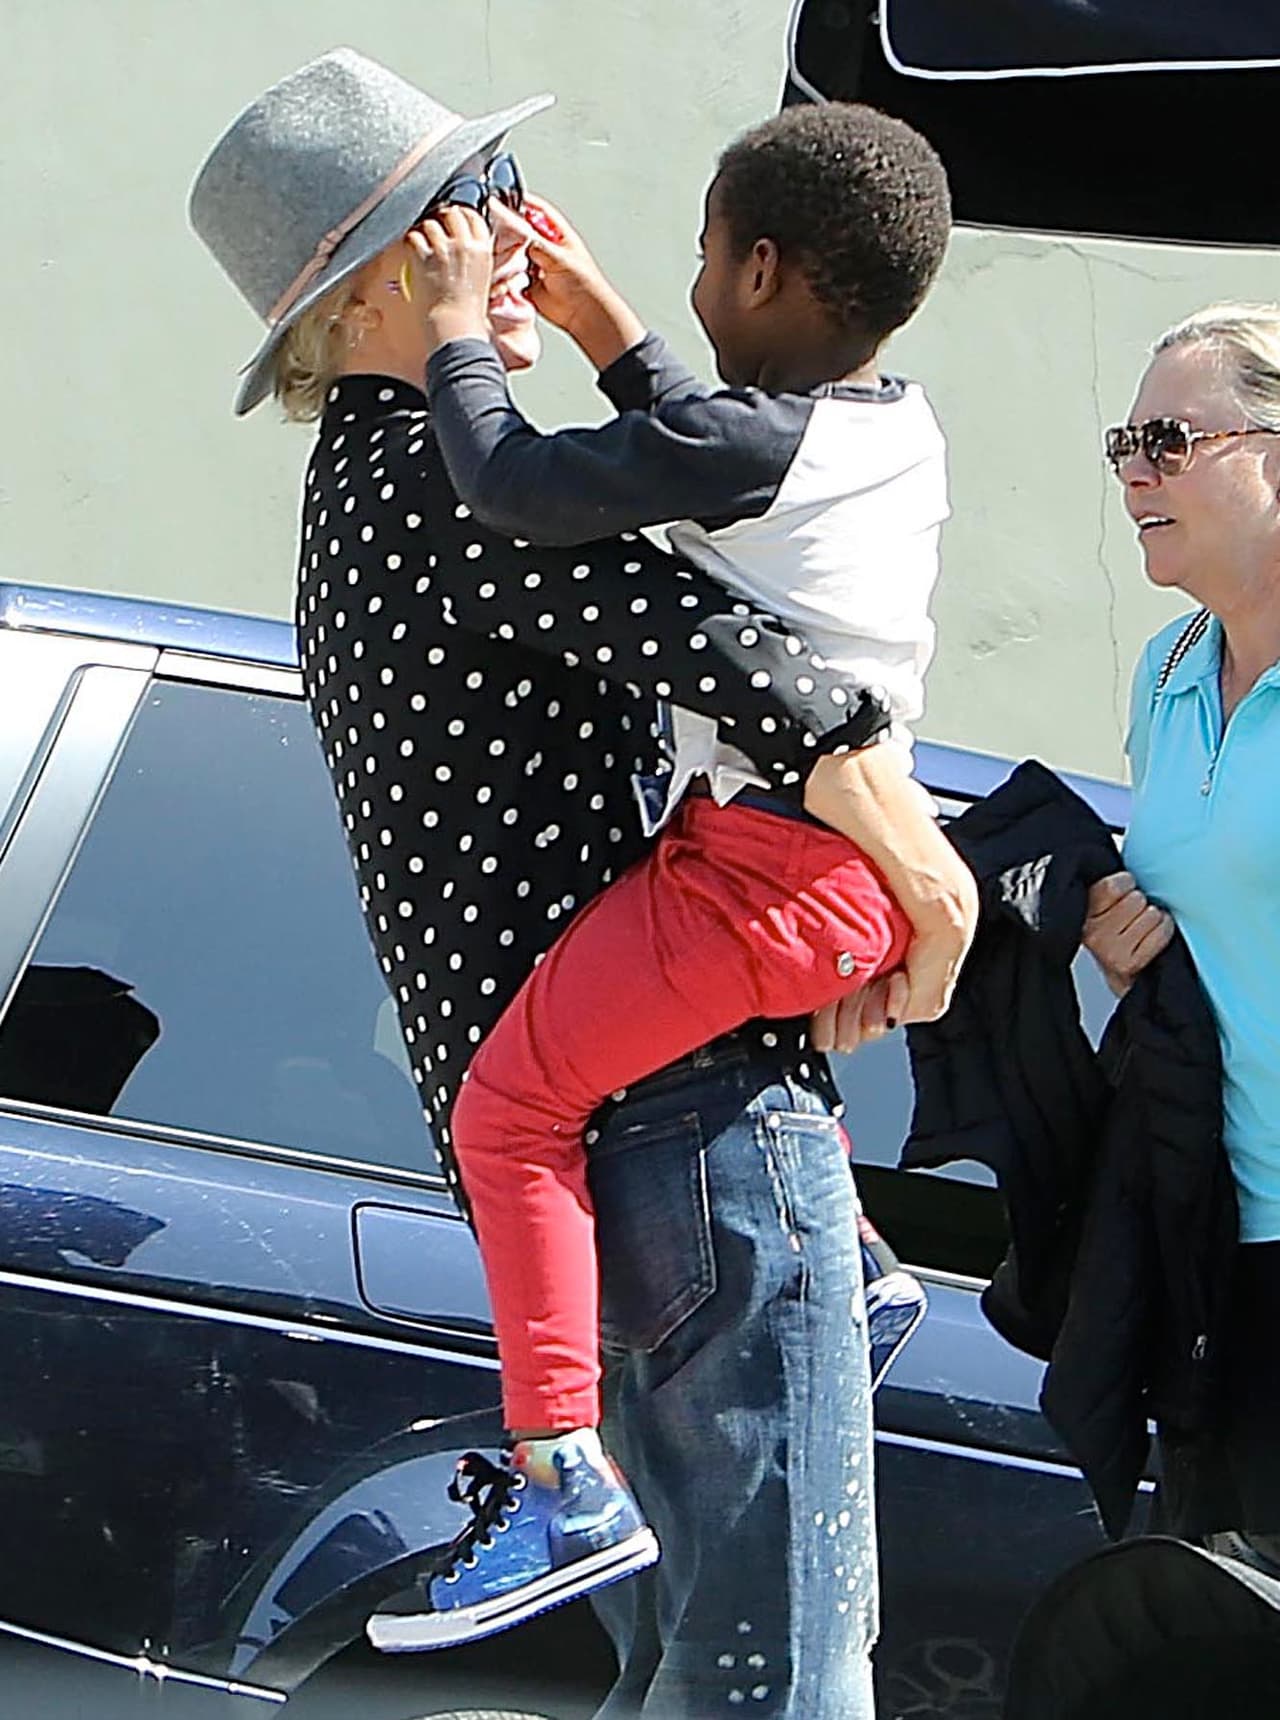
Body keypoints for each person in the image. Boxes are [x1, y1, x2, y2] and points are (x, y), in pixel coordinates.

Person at [189, 48, 977, 1718]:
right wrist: (927, 872)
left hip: (601, 1128)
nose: (509, 230)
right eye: (471, 212)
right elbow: (753, 665)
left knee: (692, 1665)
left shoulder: (366, 481)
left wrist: (598, 331)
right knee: (773, 1671)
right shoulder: (450, 481)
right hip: (681, 1130)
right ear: (392, 269)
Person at [387, 97, 953, 1631]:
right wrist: (610, 320)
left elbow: (510, 483)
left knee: (511, 1107)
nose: (693, 283)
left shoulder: (737, 444)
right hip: (818, 872)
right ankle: (871, 1267)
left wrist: (458, 336)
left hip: (766, 872)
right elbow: (715, 443)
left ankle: (561, 1475)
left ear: (761, 268)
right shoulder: (882, 429)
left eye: (706, 256)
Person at [1085, 303, 1280, 1567]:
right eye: (1122, 443)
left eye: (1167, 438)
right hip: (1219, 1247)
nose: (1132, 472)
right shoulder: (1164, 670)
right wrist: (1111, 937)